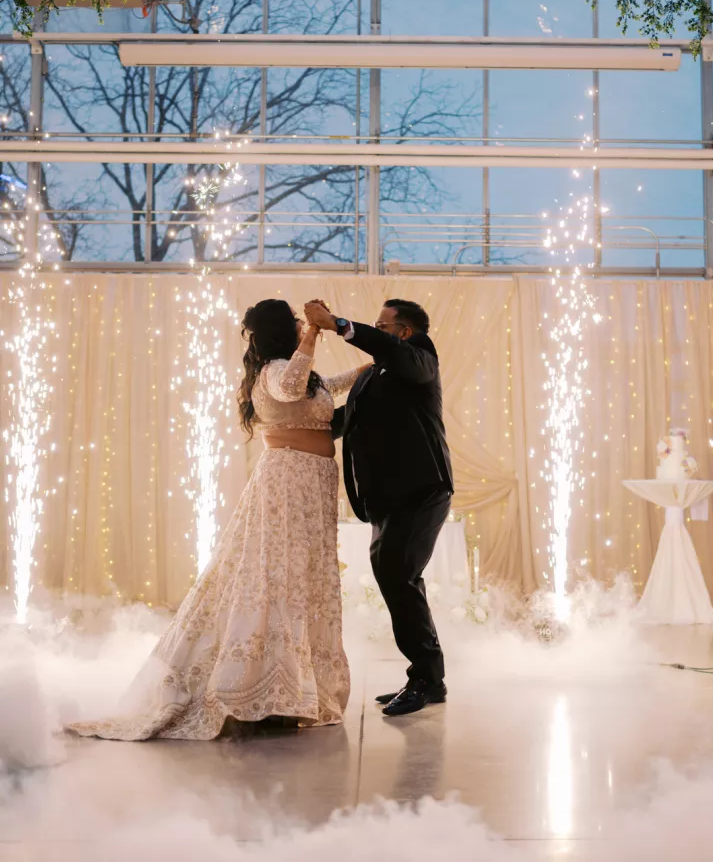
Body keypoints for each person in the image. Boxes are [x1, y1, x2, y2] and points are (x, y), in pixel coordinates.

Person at [66, 299, 365, 741]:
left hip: (313, 482)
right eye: (296, 322)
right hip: (287, 480)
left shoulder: (303, 375)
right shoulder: (274, 371)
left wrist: (368, 368)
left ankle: (291, 690)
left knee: (302, 578)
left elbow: (325, 388)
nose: (302, 325)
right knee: (275, 576)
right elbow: (290, 386)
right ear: (283, 330)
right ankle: (255, 690)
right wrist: (315, 334)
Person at [305, 298, 453, 717]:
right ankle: (430, 677)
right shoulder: (374, 376)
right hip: (386, 498)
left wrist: (339, 324)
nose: (376, 330)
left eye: (381, 325)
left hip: (420, 491)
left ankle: (425, 679)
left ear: (404, 332)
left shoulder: (420, 358)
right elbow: (344, 420)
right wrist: (289, 424)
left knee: (397, 574)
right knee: (397, 577)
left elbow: (394, 353)